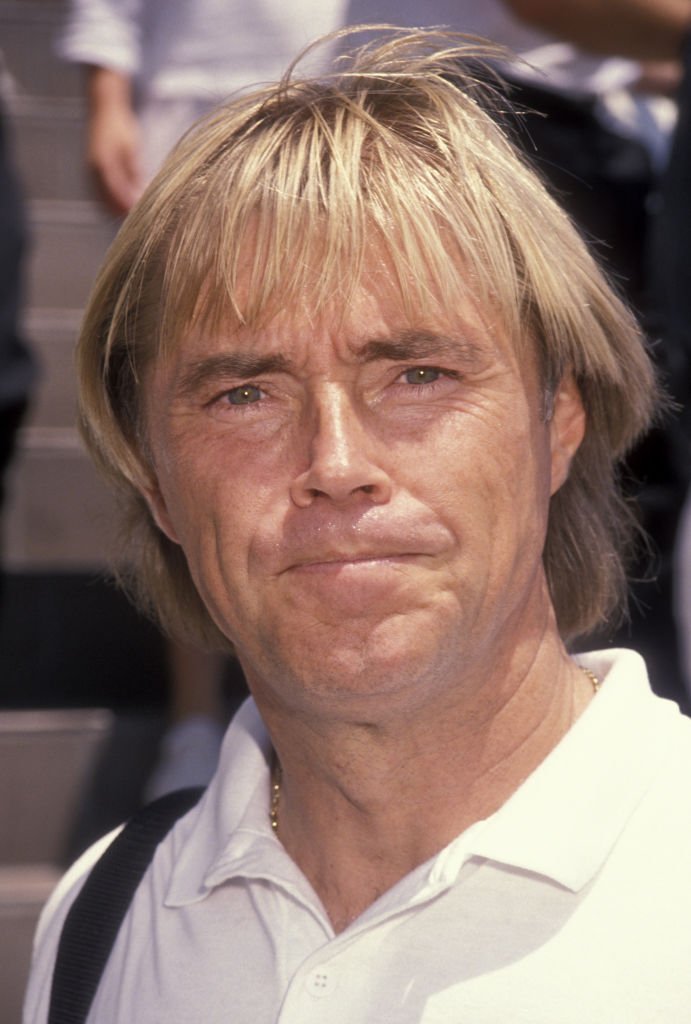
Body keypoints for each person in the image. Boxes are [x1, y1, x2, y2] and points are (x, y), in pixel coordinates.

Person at [24, 29, 691, 1021]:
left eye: (417, 375)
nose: (335, 464)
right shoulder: (100, 922)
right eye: (245, 393)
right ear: (152, 476)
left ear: (559, 418)